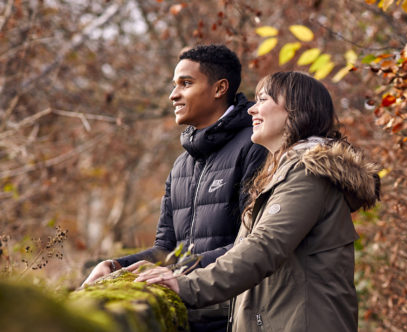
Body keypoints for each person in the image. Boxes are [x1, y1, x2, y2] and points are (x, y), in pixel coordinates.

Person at [134, 71, 380, 331]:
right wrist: (173, 284)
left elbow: (263, 249)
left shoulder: (307, 173)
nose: (252, 109)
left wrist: (185, 285)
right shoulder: (281, 173)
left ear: (296, 110)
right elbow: (255, 287)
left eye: (263, 99)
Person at [82, 44, 267, 332]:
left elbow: (254, 244)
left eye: (186, 83)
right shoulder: (182, 164)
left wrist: (177, 272)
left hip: (237, 318)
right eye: (174, 85)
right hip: (186, 317)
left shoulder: (255, 148)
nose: (173, 95)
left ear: (220, 88)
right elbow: (167, 250)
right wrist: (115, 266)